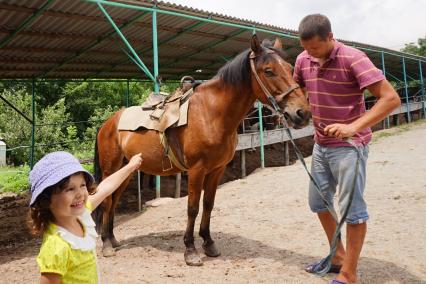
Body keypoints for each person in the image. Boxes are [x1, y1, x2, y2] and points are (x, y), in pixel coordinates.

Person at [293, 14, 400, 284]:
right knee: (318, 203)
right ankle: (337, 255)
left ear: (330, 37)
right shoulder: (303, 59)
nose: (311, 55)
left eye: (316, 48)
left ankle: (349, 274)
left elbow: (390, 99)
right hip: (321, 145)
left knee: (353, 210)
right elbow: (299, 91)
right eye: (306, 48)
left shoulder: (353, 58)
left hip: (350, 147)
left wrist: (354, 126)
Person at [27, 151, 142, 284]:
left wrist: (130, 166)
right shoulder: (57, 246)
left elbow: (106, 188)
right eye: (70, 189)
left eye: (82, 185)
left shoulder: (80, 215)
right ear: (46, 199)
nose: (80, 194)